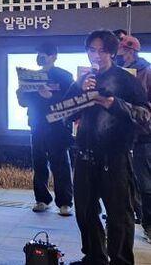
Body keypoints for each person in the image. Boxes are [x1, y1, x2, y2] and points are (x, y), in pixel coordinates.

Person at [66, 30, 147, 265]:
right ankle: (94, 257)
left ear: (112, 52)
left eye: (102, 51)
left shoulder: (126, 80)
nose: (96, 55)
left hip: (116, 157)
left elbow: (145, 116)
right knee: (85, 211)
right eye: (92, 50)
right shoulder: (81, 81)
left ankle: (121, 260)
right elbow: (62, 115)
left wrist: (112, 103)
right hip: (84, 155)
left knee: (119, 214)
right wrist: (81, 94)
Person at [16, 42, 74, 216]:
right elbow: (24, 102)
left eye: (45, 53)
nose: (41, 56)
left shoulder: (64, 76)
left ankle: (65, 202)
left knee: (60, 164)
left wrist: (50, 96)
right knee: (39, 163)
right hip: (37, 123)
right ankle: (41, 199)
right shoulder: (31, 76)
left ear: (54, 56)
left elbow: (71, 101)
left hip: (58, 126)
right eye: (39, 53)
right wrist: (20, 95)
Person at [117, 35, 151, 239]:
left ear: (130, 51)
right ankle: (126, 220)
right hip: (119, 133)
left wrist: (136, 107)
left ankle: (149, 224)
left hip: (142, 134)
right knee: (122, 182)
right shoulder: (118, 72)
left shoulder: (147, 72)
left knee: (145, 183)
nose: (117, 54)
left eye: (120, 50)